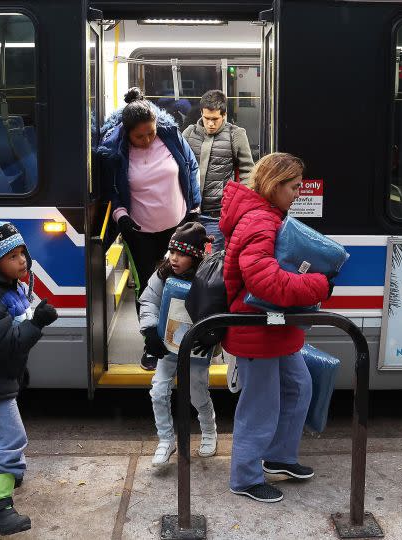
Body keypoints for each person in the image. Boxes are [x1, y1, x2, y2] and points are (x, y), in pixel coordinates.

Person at [219, 153, 334, 503]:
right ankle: (245, 477)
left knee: (299, 388)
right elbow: (265, 282)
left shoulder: (267, 216)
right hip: (257, 329)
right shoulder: (259, 221)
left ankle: (279, 458)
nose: (299, 193)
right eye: (294, 187)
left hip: (273, 329)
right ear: (274, 185)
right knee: (260, 407)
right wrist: (318, 284)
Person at [0, 212, 59, 536]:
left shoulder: (10, 289)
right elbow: (6, 343)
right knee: (11, 438)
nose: (22, 261)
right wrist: (38, 322)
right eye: (12, 256)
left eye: (22, 254)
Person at [97, 87, 202, 371]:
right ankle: (152, 345)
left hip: (177, 225)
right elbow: (112, 191)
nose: (146, 140)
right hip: (139, 230)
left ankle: (182, 339)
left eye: (150, 133)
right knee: (147, 287)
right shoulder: (114, 149)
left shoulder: (170, 136)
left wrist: (194, 207)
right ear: (126, 132)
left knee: (181, 282)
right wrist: (120, 216)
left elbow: (190, 167)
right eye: (139, 136)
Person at [138, 222, 221, 465]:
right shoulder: (163, 274)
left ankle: (208, 431)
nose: (174, 258)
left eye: (181, 254)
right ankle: (166, 439)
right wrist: (150, 330)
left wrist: (214, 335)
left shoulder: (209, 276)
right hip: (167, 345)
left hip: (197, 346)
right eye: (172, 252)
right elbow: (149, 301)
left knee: (197, 392)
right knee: (158, 391)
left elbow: (220, 307)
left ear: (194, 256)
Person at [182, 89, 255, 252]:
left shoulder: (236, 135)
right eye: (207, 118)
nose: (210, 124)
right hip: (189, 214)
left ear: (224, 115)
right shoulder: (189, 133)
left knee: (211, 266)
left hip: (217, 216)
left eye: (215, 119)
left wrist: (237, 208)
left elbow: (248, 174)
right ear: (201, 112)